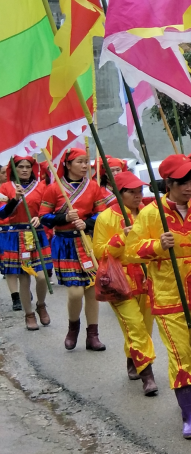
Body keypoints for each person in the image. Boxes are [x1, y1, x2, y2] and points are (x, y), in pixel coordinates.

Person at [125, 154, 191, 440]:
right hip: (168, 293)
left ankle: (189, 392)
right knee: (179, 354)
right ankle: (188, 414)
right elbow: (131, 252)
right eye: (183, 183)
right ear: (168, 183)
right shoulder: (151, 213)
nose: (189, 187)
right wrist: (157, 245)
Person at [93, 172, 158, 396]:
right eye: (132, 191)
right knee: (135, 327)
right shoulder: (105, 218)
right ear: (119, 193)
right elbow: (99, 252)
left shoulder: (148, 213)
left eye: (140, 190)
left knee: (145, 328)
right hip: (120, 281)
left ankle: (133, 359)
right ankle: (147, 375)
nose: (138, 195)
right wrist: (121, 237)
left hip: (147, 278)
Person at [40, 148, 109, 351]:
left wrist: (87, 223)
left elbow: (102, 214)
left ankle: (93, 335)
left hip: (87, 242)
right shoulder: (54, 189)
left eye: (86, 162)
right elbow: (44, 216)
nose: (85, 166)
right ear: (67, 165)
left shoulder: (93, 186)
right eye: (80, 162)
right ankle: (73, 328)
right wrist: (64, 218)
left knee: (91, 291)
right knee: (75, 293)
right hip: (66, 245)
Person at [0, 156, 52, 329]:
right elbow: (2, 215)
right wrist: (14, 198)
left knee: (42, 277)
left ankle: (41, 304)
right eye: (20, 166)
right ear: (13, 169)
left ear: (32, 168)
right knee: (24, 279)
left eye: (27, 166)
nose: (24, 169)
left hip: (37, 234)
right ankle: (28, 314)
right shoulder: (5, 187)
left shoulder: (42, 186)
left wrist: (41, 218)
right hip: (16, 236)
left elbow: (48, 210)